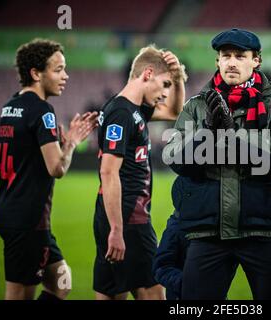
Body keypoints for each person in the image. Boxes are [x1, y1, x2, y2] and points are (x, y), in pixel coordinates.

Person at [164, 28, 271, 300]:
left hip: (264, 231)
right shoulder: (196, 106)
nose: (232, 62)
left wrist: (232, 137)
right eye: (226, 56)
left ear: (256, 61)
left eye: (240, 56)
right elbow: (174, 157)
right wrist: (208, 133)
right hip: (207, 231)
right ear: (217, 61)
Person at [0, 38, 98, 300]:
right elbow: (57, 168)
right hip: (28, 219)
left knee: (61, 281)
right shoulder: (42, 111)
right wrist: (72, 143)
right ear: (36, 73)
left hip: (9, 208)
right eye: (58, 69)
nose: (66, 76)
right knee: (18, 294)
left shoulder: (10, 106)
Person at [93, 45, 187, 300]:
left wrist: (177, 78)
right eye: (165, 84)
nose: (166, 93)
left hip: (116, 216)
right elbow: (109, 173)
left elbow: (174, 112)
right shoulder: (122, 113)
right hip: (129, 220)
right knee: (155, 295)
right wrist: (117, 229)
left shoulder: (133, 110)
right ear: (147, 74)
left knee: (111, 293)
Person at [153, 210, 271, 300]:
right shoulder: (177, 225)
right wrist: (190, 284)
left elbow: (254, 228)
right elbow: (161, 267)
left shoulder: (225, 228)